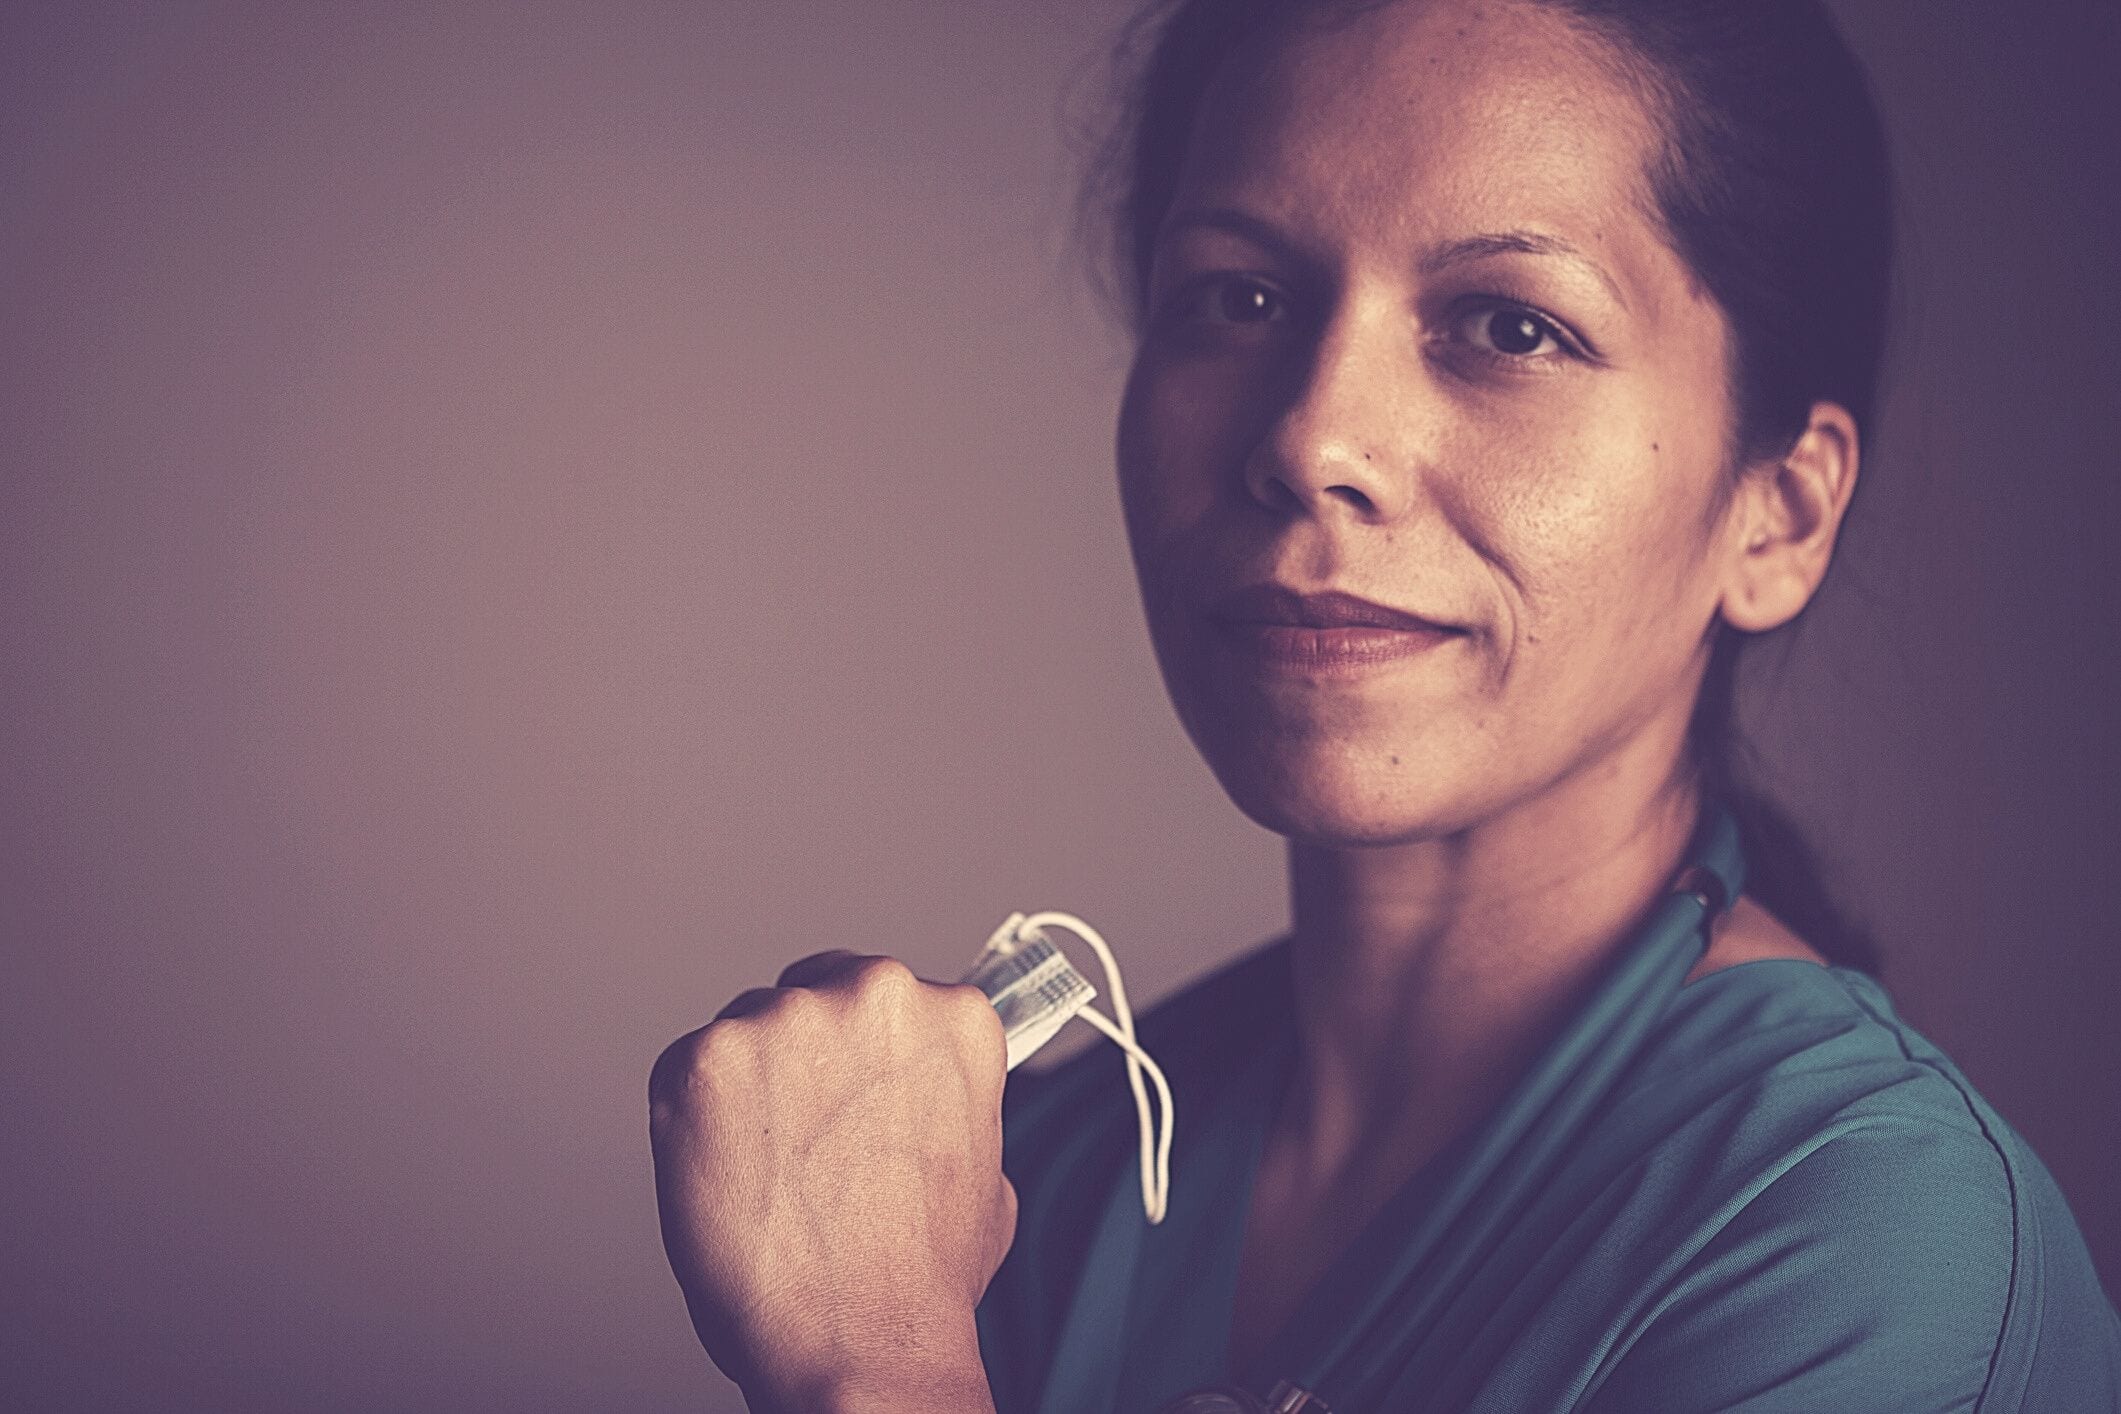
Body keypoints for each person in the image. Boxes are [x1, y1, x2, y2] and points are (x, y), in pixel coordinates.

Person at [648, 0, 2121, 1409]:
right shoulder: (1028, 1174)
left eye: (1509, 325)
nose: (1310, 437)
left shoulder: (1867, 1243)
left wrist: (876, 1369)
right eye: (1240, 298)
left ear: (1775, 517)